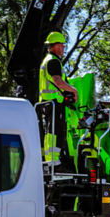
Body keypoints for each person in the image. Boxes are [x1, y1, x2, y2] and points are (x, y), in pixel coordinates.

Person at [39, 32, 78, 170]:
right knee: (54, 132)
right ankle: (54, 162)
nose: (63, 48)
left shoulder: (48, 60)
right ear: (55, 46)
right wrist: (73, 90)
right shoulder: (53, 61)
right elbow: (58, 81)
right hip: (54, 103)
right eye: (61, 45)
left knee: (51, 131)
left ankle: (53, 160)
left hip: (50, 103)